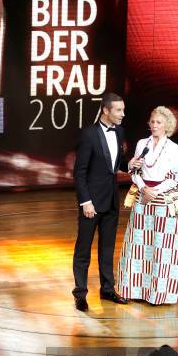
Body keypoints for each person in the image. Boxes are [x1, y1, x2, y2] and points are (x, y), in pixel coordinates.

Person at [117, 105, 178, 305]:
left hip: (163, 198)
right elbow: (135, 171)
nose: (154, 125)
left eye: (159, 122)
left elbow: (175, 178)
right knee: (138, 243)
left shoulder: (173, 147)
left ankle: (158, 294)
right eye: (152, 122)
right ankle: (134, 289)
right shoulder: (141, 143)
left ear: (167, 125)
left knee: (161, 246)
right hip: (142, 196)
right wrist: (144, 188)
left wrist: (155, 191)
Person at [72, 92, 129, 311]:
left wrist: (129, 163)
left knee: (107, 249)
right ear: (106, 111)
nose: (123, 114)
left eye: (123, 110)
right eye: (118, 110)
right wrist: (85, 201)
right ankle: (80, 294)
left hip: (112, 201)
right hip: (91, 204)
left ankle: (107, 290)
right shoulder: (89, 135)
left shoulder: (120, 131)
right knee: (83, 250)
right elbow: (80, 172)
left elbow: (117, 163)